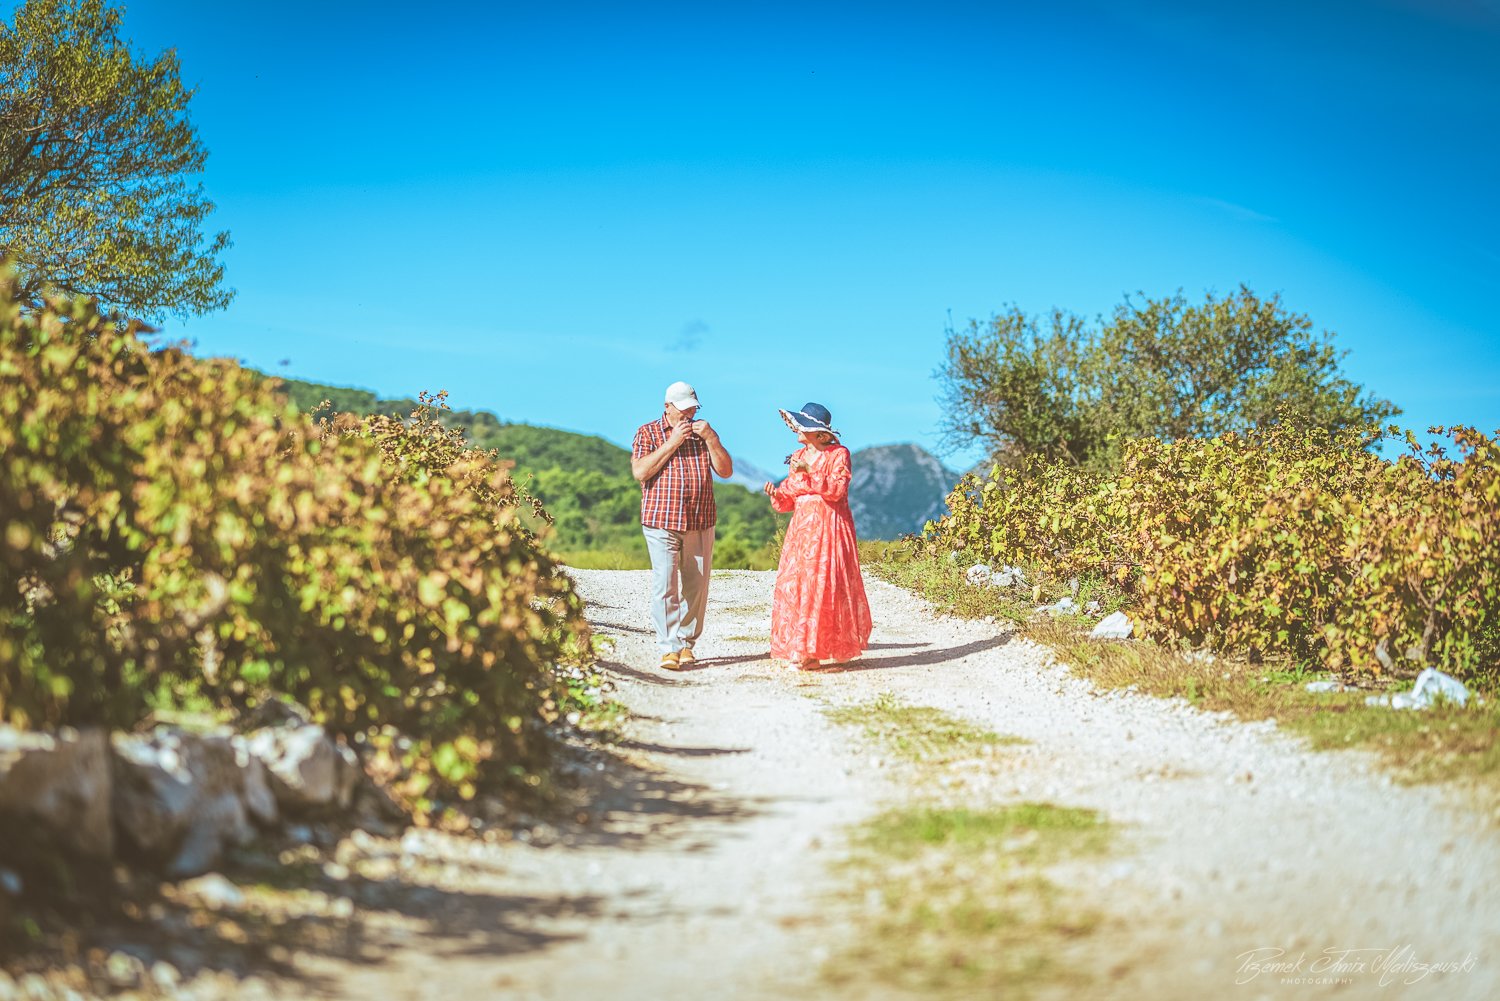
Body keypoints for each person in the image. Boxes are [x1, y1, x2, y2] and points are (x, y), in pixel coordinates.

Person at [631, 380, 733, 670]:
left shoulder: (703, 434)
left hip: (700, 519)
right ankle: (668, 647)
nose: (688, 415)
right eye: (683, 410)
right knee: (665, 585)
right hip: (661, 519)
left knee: (697, 585)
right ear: (667, 407)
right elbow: (641, 471)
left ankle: (687, 643)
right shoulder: (647, 432)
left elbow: (725, 471)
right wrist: (673, 442)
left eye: (692, 409)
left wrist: (712, 438)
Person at [762, 402, 871, 669]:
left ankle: (813, 651)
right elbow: (791, 496)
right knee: (796, 584)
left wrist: (809, 473)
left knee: (820, 585)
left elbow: (837, 490)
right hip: (801, 530)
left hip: (828, 526)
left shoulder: (838, 454)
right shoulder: (798, 455)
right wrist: (778, 495)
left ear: (819, 432)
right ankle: (800, 647)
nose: (797, 429)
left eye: (803, 425)